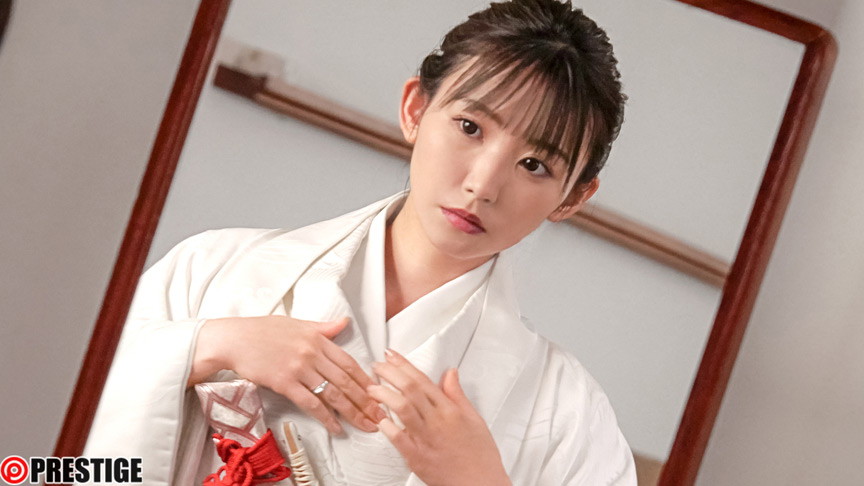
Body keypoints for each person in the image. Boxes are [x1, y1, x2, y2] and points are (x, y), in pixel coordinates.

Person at [85, 0, 636, 484]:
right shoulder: (211, 269)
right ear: (415, 109)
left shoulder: (569, 415)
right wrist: (203, 348)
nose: (483, 185)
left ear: (573, 197)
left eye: (535, 165)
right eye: (470, 127)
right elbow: (46, 454)